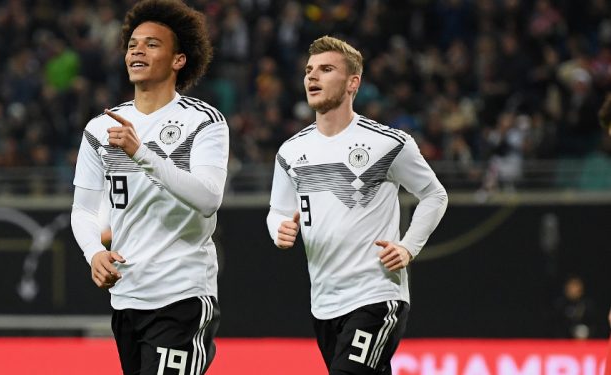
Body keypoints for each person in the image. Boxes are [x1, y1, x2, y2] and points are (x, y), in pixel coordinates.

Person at [266, 36, 448, 375]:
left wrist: (408, 247)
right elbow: (277, 211)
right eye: (309, 70)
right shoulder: (290, 151)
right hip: (323, 303)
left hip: (376, 295)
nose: (312, 77)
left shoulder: (387, 143)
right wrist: (279, 229)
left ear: (353, 83)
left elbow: (434, 195)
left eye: (326, 69)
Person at [70, 1, 228, 373]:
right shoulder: (98, 129)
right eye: (132, 44)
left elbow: (208, 198)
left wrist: (140, 152)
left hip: (182, 295)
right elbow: (84, 209)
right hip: (126, 297)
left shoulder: (203, 122)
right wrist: (94, 252)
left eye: (152, 44)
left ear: (178, 60)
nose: (137, 50)